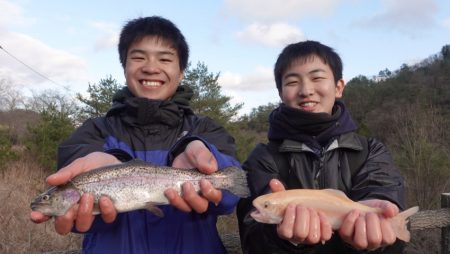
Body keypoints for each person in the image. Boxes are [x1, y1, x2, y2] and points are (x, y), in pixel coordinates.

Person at [30, 16, 242, 254]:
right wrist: (110, 165)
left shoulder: (206, 129)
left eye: (164, 58)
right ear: (124, 67)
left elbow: (232, 196)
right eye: (139, 57)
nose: (151, 67)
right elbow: (77, 211)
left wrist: (204, 158)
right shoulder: (93, 131)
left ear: (181, 72)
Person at [237, 40, 406, 253]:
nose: (306, 90)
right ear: (280, 93)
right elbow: (252, 241)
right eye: (292, 82)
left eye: (317, 78)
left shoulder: (371, 151)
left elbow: (394, 238)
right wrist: (284, 239)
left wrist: (379, 228)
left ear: (338, 87)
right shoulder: (262, 158)